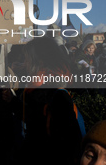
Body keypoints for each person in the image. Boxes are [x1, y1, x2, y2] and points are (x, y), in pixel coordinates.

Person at [21, 36, 82, 165]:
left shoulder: (44, 90)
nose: (25, 63)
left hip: (47, 155)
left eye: (27, 59)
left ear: (39, 60)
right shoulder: (57, 77)